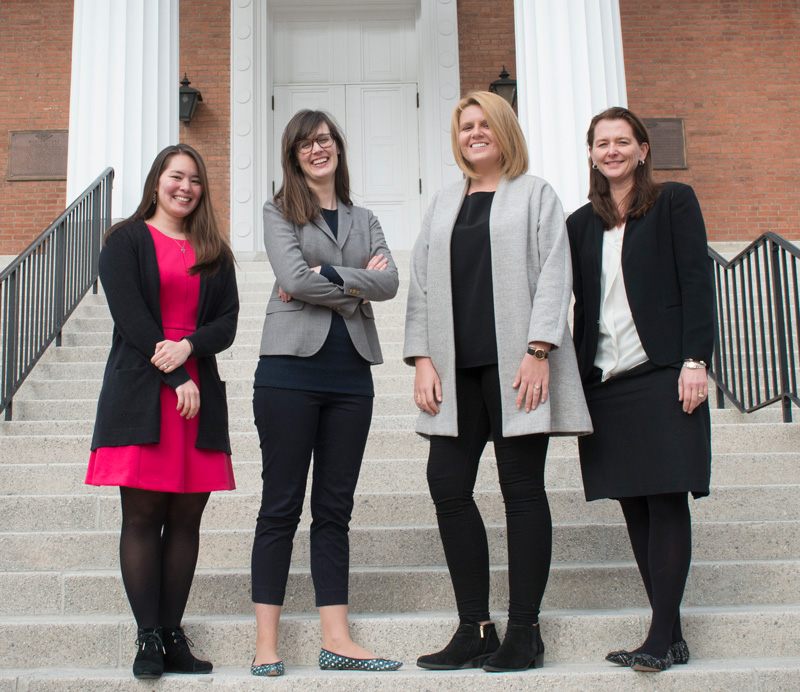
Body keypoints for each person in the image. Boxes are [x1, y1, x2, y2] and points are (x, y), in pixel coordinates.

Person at [403, 91, 592, 673]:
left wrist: (540, 349)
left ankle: (525, 632)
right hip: (454, 369)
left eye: (485, 124)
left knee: (521, 489)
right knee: (448, 484)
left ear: (504, 130)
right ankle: (475, 627)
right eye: (465, 127)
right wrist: (422, 358)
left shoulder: (534, 194)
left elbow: (557, 271)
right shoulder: (442, 203)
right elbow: (422, 284)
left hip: (516, 366)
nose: (474, 134)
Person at [250, 109, 401, 677]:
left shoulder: (365, 217)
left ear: (338, 146)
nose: (319, 149)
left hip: (350, 376)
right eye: (306, 144)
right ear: (293, 156)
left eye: (326, 139)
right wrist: (355, 278)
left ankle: (337, 638)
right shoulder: (278, 211)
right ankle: (267, 644)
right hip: (289, 372)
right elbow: (291, 280)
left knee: (334, 509)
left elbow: (388, 283)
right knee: (281, 506)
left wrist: (330, 277)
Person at [567, 106, 714, 673]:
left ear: (643, 149)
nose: (612, 151)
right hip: (606, 382)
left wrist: (695, 360)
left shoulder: (673, 202)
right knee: (633, 504)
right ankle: (669, 634)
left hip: (664, 372)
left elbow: (697, 285)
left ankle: (658, 636)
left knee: (666, 496)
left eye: (622, 141)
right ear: (591, 154)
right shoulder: (580, 224)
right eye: (601, 143)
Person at [86, 144, 239, 679]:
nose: (186, 187)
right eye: (177, 176)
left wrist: (191, 350)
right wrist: (174, 370)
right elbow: (130, 317)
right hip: (143, 390)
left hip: (198, 396)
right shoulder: (123, 241)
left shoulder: (214, 251)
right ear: (157, 182)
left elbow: (227, 323)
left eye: (195, 179)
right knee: (144, 515)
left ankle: (173, 634)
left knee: (187, 518)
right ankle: (147, 636)